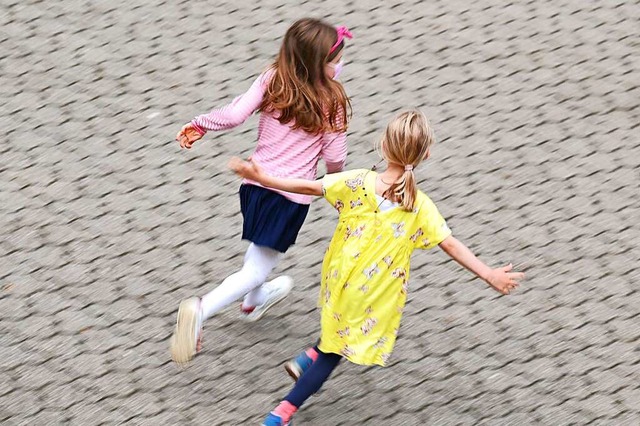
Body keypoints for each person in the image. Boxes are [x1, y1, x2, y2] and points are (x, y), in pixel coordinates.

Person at [229, 109, 525, 426]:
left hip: (339, 278)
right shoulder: (419, 205)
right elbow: (449, 243)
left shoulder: (358, 181)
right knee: (336, 352)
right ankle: (282, 412)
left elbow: (308, 186)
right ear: (425, 154)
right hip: (374, 293)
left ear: (383, 146)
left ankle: (308, 357)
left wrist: (262, 178)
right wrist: (488, 273)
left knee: (339, 328)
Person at [170, 18, 353, 365]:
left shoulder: (274, 78)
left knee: (261, 250)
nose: (339, 65)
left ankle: (253, 303)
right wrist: (337, 188)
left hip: (253, 186)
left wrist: (200, 124)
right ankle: (200, 310)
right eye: (334, 60)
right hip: (288, 196)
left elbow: (237, 113)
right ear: (318, 64)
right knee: (257, 267)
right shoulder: (331, 101)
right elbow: (335, 157)